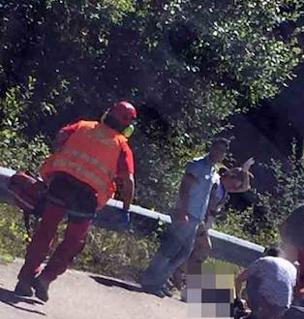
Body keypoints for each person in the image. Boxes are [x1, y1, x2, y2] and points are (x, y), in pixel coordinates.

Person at [15, 101, 136, 302]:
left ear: (107, 113)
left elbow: (60, 137)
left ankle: (25, 280)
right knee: (73, 242)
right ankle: (45, 279)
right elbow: (128, 182)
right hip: (86, 198)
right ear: (128, 127)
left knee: (45, 232)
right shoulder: (122, 146)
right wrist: (126, 209)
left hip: (60, 185)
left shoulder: (82, 126)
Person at [140, 138, 230, 296]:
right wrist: (182, 210)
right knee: (170, 249)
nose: (219, 153)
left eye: (222, 151)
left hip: (196, 218)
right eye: (217, 149)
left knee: (183, 253)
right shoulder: (198, 165)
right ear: (212, 148)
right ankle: (150, 281)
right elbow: (185, 187)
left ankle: (159, 281)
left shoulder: (213, 171)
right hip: (185, 214)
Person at [171, 160, 254, 290]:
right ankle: (179, 272)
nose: (235, 187)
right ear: (230, 177)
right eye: (235, 182)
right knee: (204, 248)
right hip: (200, 219)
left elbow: (245, 188)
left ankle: (179, 272)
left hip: (206, 222)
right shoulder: (216, 184)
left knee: (194, 250)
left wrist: (245, 172)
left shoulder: (225, 190)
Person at [234, 246, 297, 319]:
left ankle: (254, 314)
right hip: (283, 307)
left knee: (253, 277)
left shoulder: (264, 261)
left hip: (265, 302)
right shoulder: (291, 267)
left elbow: (239, 279)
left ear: (266, 254)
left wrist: (238, 298)